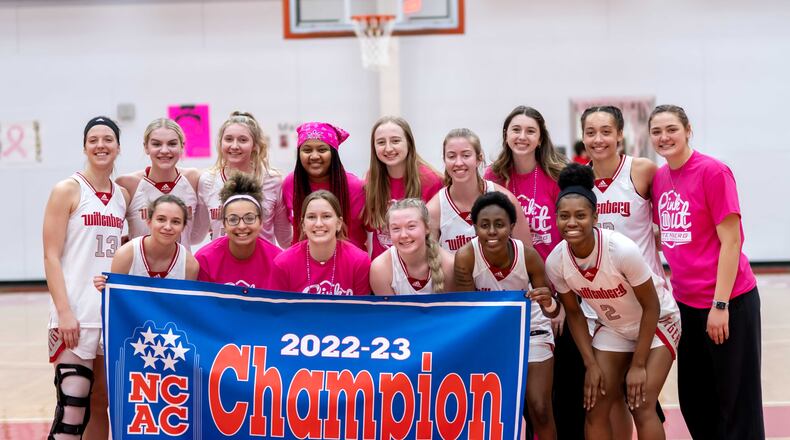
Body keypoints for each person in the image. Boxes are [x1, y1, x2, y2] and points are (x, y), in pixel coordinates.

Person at [649, 105, 763, 439]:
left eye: (671, 129)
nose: (664, 137)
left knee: (737, 403)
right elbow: (669, 234)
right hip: (687, 306)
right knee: (696, 402)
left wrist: (720, 305)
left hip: (729, 302)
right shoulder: (659, 178)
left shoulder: (713, 172)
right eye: (657, 131)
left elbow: (732, 242)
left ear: (687, 130)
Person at [546, 163, 680, 440]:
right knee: (594, 404)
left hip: (657, 321)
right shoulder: (556, 262)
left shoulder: (621, 249)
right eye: (564, 216)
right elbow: (574, 314)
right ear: (556, 218)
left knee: (641, 403)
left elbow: (651, 306)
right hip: (615, 327)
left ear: (595, 217)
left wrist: (638, 364)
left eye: (580, 215)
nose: (572, 223)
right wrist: (591, 364)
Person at [43, 116, 130, 440]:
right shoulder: (67, 189)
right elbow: (50, 256)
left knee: (102, 400)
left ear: (118, 147)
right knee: (72, 404)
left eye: (108, 139)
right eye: (93, 139)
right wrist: (64, 311)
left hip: (108, 315)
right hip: (74, 314)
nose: (101, 145)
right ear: (84, 146)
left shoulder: (122, 196)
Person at [582, 105, 666, 436]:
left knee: (641, 399)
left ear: (620, 134)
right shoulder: (576, 180)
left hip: (649, 305)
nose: (598, 139)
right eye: (591, 132)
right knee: (606, 397)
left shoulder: (642, 170)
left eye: (606, 131)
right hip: (605, 311)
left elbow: (668, 218)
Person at [454, 192, 557, 440]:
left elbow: (551, 310)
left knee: (540, 408)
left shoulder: (529, 256)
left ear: (511, 226)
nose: (492, 231)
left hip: (532, 330)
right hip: (490, 335)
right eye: (484, 225)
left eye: (499, 225)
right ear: (474, 226)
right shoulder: (466, 257)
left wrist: (550, 303)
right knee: (495, 411)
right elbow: (469, 315)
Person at [427, 128, 532, 254]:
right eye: (451, 156)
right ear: (444, 160)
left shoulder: (505, 199)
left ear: (479, 158)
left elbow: (528, 257)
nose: (458, 162)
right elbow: (430, 263)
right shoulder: (434, 209)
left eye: (466, 155)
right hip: (456, 274)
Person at [195, 111, 291, 247]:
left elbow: (285, 240)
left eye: (243, 140)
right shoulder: (207, 180)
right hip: (223, 266)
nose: (234, 146)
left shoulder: (273, 180)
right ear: (220, 143)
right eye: (228, 139)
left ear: (255, 145)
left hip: (263, 266)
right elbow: (196, 237)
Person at [485, 106, 566, 260]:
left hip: (552, 271)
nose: (522, 137)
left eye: (530, 131)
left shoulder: (556, 175)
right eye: (516, 130)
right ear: (506, 135)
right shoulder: (493, 176)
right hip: (509, 272)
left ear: (540, 139)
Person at [364, 116, 443, 259]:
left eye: (395, 141)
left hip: (418, 266)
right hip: (383, 268)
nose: (388, 148)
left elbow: (436, 234)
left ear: (409, 143)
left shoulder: (431, 181)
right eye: (381, 142)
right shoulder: (372, 179)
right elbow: (370, 228)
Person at [281, 122, 367, 250]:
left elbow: (371, 233)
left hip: (349, 264)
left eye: (322, 150)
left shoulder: (354, 186)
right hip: (304, 263)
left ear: (333, 153)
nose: (314, 156)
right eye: (307, 150)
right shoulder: (290, 183)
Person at [116, 118, 200, 245]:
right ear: (146, 147)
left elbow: (198, 232)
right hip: (139, 264)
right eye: (156, 144)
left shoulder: (193, 178)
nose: (165, 150)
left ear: (182, 146)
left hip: (182, 263)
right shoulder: (127, 183)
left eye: (172, 144)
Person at [94, 195, 200, 293]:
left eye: (176, 222)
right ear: (149, 221)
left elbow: (184, 308)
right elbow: (116, 301)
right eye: (161, 219)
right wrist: (106, 289)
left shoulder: (190, 265)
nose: (168, 227)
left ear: (183, 227)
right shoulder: (126, 254)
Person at [272, 190, 370, 295]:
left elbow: (362, 310)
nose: (319, 224)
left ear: (338, 223)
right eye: (311, 217)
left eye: (326, 216)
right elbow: (280, 310)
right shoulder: (283, 263)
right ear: (303, 225)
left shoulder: (359, 261)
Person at [194, 172, 282, 289]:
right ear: (224, 224)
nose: (241, 226)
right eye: (233, 219)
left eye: (249, 218)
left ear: (261, 222)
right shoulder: (205, 259)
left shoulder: (277, 260)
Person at [369, 198, 454, 295]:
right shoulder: (380, 269)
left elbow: (453, 309)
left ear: (427, 228)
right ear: (389, 231)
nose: (403, 235)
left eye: (411, 226)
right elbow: (390, 310)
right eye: (396, 228)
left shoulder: (449, 265)